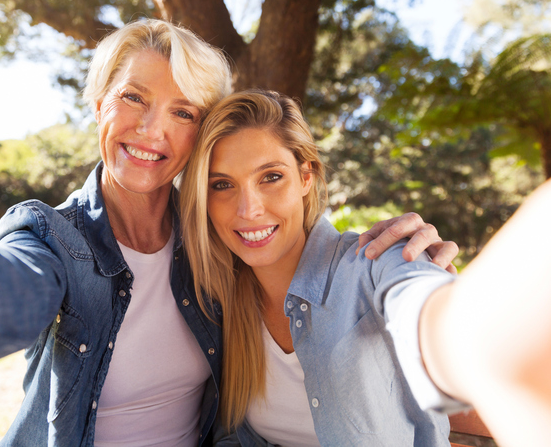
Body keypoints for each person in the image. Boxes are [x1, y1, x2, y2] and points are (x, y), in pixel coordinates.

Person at [0, 21, 458, 446]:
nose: (152, 130)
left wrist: (418, 270)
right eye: (133, 98)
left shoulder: (218, 244)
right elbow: (5, 288)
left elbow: (365, 288)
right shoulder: (55, 240)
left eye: (183, 111)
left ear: (200, 136)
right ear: (99, 101)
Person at [180, 89, 551, 447]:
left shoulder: (377, 257)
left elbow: (424, 308)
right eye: (222, 185)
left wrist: (462, 338)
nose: (249, 209)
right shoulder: (217, 300)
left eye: (271, 177)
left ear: (306, 176)